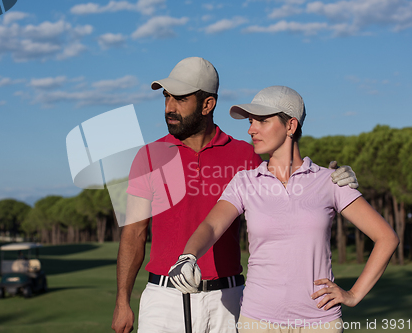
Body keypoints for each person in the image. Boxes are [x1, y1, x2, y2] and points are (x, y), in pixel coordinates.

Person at [111, 59, 358, 333]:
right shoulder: (148, 156)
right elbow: (133, 233)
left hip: (228, 300)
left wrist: (334, 177)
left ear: (207, 105)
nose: (169, 107)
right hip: (163, 300)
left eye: (180, 99)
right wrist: (123, 300)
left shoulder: (245, 155)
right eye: (166, 97)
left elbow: (293, 181)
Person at [168, 86, 399, 333]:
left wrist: (354, 294)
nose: (251, 129)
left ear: (291, 126)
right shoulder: (244, 182)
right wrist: (188, 256)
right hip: (257, 322)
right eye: (250, 121)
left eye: (262, 121)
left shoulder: (329, 181)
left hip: (320, 323)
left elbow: (386, 238)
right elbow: (212, 225)